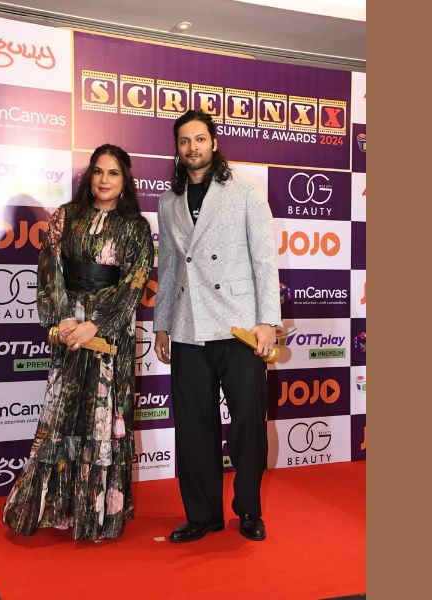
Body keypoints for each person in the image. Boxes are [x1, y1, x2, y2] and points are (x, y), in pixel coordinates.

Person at [2, 144, 154, 542]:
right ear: (89, 176)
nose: (104, 179)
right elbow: (49, 269)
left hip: (109, 339)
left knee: (104, 418)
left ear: (125, 181)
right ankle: (57, 508)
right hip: (69, 332)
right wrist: (64, 321)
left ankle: (97, 514)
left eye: (113, 173)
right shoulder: (65, 216)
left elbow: (135, 280)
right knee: (63, 415)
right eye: (98, 171)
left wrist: (96, 325)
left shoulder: (135, 227)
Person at [153, 110, 280, 543]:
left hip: (239, 325)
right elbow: (169, 267)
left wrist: (268, 321)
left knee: (247, 424)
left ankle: (249, 510)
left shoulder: (244, 188)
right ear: (177, 148)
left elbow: (264, 258)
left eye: (200, 139)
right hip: (188, 325)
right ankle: (203, 515)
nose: (192, 147)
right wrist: (162, 325)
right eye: (184, 141)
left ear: (214, 142)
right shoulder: (168, 201)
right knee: (193, 427)